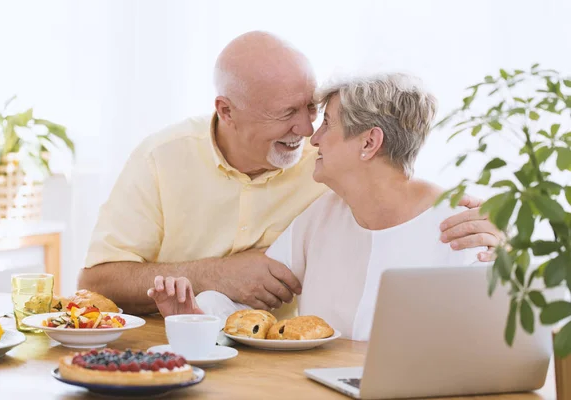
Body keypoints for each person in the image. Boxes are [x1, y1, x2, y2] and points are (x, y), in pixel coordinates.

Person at [78, 31, 501, 316]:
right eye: (286, 114)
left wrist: (504, 232)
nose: (308, 134)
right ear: (226, 111)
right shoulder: (161, 158)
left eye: (316, 114)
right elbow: (97, 281)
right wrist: (202, 298)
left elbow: (392, 175)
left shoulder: (340, 181)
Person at [147, 72, 489, 340]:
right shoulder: (322, 215)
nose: (314, 138)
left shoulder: (465, 229)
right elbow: (249, 301)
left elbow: (500, 336)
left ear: (369, 142)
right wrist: (196, 312)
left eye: (327, 123)